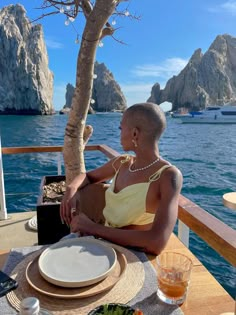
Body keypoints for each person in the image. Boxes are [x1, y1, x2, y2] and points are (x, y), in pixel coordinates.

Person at [60, 102, 183, 255]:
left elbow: (156, 242)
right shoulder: (123, 162)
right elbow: (88, 176)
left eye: (121, 128)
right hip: (102, 246)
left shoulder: (168, 176)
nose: (119, 133)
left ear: (135, 134)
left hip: (132, 255)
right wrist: (71, 189)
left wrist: (92, 228)